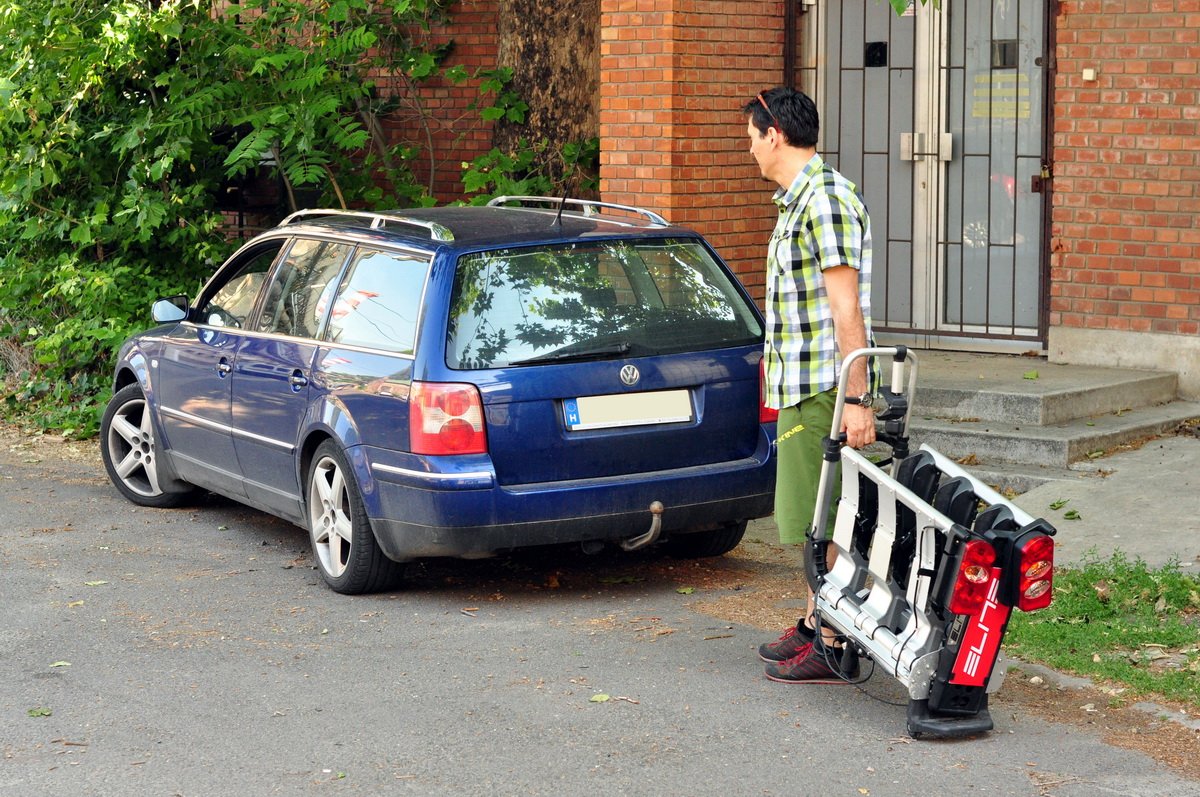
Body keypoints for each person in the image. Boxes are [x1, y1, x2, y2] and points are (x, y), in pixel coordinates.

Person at [743, 87, 877, 684]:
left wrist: (856, 397)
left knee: (817, 522)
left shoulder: (823, 202)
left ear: (774, 135)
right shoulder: (798, 201)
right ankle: (814, 618)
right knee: (811, 516)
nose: (750, 152)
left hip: (824, 385)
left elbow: (846, 309)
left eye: (751, 139)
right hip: (800, 384)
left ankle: (831, 638)